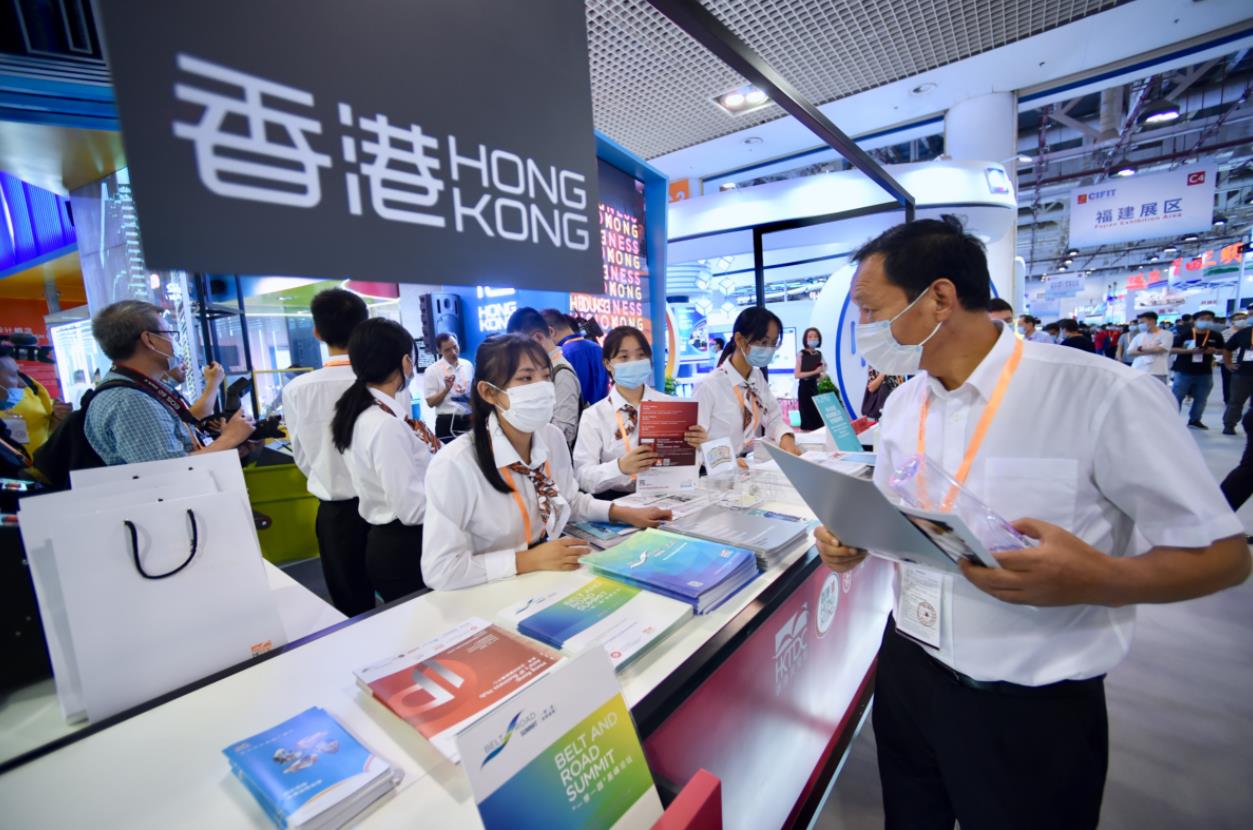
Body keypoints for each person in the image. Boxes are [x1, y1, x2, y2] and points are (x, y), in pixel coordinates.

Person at [814, 216, 1248, 830]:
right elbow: (899, 513)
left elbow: (1225, 556)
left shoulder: (1100, 394)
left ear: (939, 298)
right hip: (909, 670)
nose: (863, 328)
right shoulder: (906, 402)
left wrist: (1099, 578)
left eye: (869, 309)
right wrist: (852, 539)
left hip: (1030, 709)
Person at [421, 334, 670, 590]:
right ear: (489, 392)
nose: (541, 387)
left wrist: (624, 513)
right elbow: (440, 569)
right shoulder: (455, 464)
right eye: (526, 378)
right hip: (488, 587)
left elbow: (570, 501)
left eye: (545, 376)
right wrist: (527, 560)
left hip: (548, 573)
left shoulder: (551, 437)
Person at [331, 318, 439, 603]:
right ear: (405, 361)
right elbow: (412, 509)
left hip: (393, 542)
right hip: (407, 546)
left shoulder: (367, 412)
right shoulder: (385, 424)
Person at [282, 288, 375, 616]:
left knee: (352, 608)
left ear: (317, 332)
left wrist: (329, 474)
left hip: (337, 513)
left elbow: (302, 457)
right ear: (364, 326)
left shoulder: (296, 389)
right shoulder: (384, 380)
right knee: (406, 597)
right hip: (387, 508)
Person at [84, 300, 253, 464]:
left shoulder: (144, 389)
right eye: (169, 333)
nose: (174, 341)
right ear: (149, 339)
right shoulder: (130, 400)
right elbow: (169, 471)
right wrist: (230, 438)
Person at [573, 326, 707, 498]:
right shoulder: (594, 416)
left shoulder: (671, 407)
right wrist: (619, 467)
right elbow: (582, 476)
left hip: (668, 496)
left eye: (641, 355)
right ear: (608, 364)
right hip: (618, 502)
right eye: (624, 357)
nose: (634, 362)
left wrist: (699, 447)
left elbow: (694, 466)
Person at [696, 307, 799, 458]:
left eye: (773, 343)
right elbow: (696, 443)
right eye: (763, 342)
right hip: (716, 467)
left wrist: (786, 439)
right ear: (739, 340)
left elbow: (773, 418)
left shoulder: (757, 378)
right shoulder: (709, 385)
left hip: (747, 464)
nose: (769, 349)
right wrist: (727, 462)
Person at [507, 307, 582, 446]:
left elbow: (563, 432)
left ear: (538, 337)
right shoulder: (547, 369)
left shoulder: (561, 373)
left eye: (521, 347)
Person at [0, 351, 69, 457]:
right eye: (13, 375)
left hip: (42, 464)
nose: (21, 384)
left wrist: (59, 417)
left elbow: (48, 425)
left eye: (18, 374)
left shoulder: (30, 385)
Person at [1170, 309, 1223, 430]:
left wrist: (1214, 350)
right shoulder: (1185, 333)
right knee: (1177, 396)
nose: (1206, 321)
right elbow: (1172, 349)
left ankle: (1195, 420)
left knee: (1201, 398)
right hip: (1184, 370)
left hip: (1204, 371)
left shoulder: (1215, 335)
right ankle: (1172, 419)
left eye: (1209, 319)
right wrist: (1189, 351)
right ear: (1194, 321)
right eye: (1202, 319)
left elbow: (1222, 350)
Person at [543, 309, 609, 405]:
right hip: (602, 412)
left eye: (540, 337)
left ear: (550, 331)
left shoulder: (561, 356)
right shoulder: (598, 348)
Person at [422, 332, 473, 443]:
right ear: (439, 351)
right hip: (447, 422)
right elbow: (430, 402)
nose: (453, 352)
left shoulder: (468, 365)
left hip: (469, 420)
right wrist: (446, 390)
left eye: (455, 347)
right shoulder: (432, 371)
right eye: (447, 350)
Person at [1221, 317, 1253, 436]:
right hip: (1243, 373)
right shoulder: (1244, 332)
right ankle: (1229, 425)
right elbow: (1227, 348)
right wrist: (1228, 363)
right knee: (1235, 401)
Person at [1126, 311, 1173, 384]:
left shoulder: (1166, 334)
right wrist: (1151, 349)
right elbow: (1130, 352)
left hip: (1157, 371)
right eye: (1139, 323)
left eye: (1142, 322)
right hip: (1138, 369)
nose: (1140, 325)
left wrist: (1140, 349)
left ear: (1152, 321)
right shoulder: (1139, 336)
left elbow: (1161, 349)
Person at [795, 327, 828, 431]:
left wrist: (821, 374)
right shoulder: (801, 354)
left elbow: (823, 368)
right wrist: (815, 372)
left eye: (815, 336)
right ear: (805, 339)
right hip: (804, 389)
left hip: (814, 387)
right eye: (810, 336)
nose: (813, 338)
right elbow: (797, 374)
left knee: (818, 420)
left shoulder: (819, 354)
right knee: (807, 419)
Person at [1220, 310, 1248, 405]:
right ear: (1232, 321)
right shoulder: (1225, 333)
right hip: (1230, 360)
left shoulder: (1249, 332)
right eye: (1238, 319)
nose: (1241, 320)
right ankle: (1228, 400)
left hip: (1245, 362)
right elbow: (1224, 347)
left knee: (1244, 383)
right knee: (1228, 382)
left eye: (1243, 318)